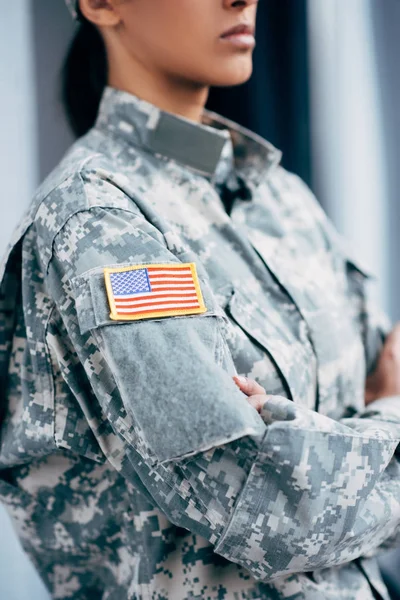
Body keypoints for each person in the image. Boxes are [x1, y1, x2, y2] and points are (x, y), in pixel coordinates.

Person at [1, 0, 400, 598]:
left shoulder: (279, 195)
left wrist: (315, 446)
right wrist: (391, 416)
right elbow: (269, 509)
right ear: (100, 5)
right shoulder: (99, 221)